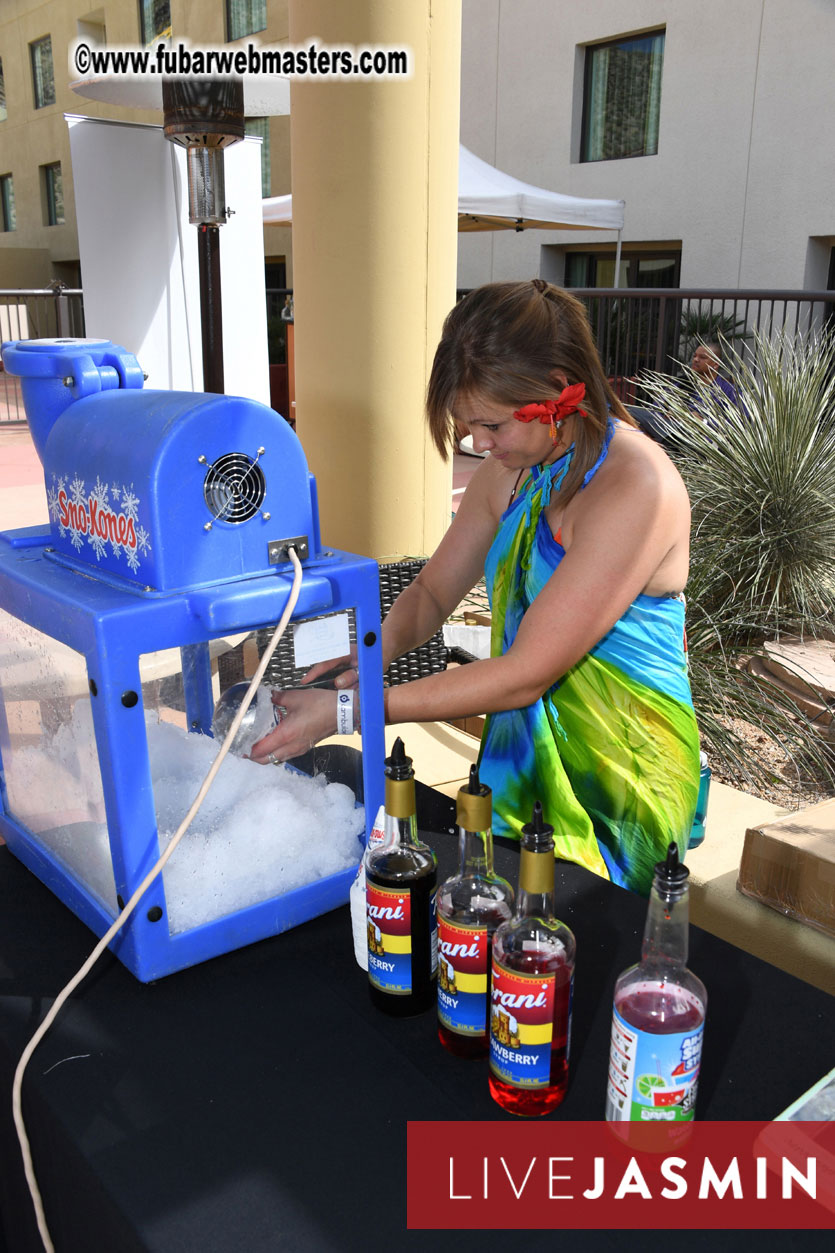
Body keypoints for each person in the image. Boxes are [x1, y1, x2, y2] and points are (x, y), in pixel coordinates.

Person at [252, 280, 701, 896]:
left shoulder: (636, 487)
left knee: (564, 962)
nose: (480, 446)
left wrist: (350, 710)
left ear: (559, 389)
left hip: (619, 781)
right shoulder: (511, 472)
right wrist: (364, 657)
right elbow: (434, 594)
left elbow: (524, 674)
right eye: (468, 429)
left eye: (491, 425)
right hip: (523, 765)